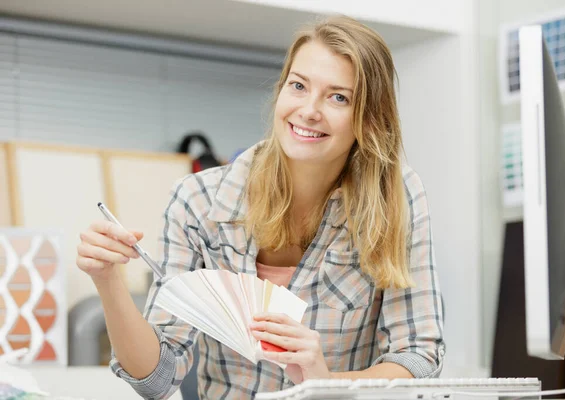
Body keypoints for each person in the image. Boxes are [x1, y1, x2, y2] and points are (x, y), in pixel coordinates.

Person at [76, 15, 445, 400]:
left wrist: (327, 383)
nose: (309, 110)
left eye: (339, 97)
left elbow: (419, 356)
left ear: (369, 119)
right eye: (298, 86)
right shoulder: (197, 202)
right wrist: (108, 281)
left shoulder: (397, 195)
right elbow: (156, 380)